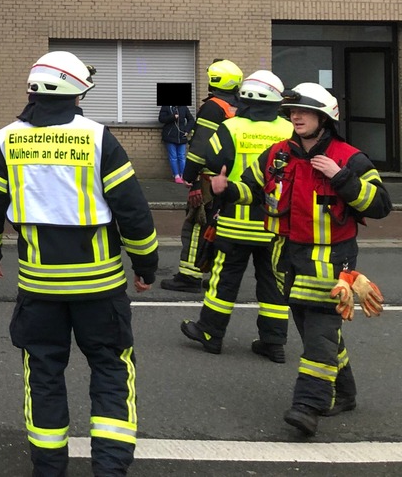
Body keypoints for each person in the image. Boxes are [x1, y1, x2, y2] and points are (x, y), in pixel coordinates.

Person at [0, 51, 157, 477]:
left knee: (43, 375)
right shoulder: (97, 138)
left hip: (40, 287)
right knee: (111, 371)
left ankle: (49, 467)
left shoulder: (7, 139)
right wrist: (146, 265)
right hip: (101, 286)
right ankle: (109, 469)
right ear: (78, 92)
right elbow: (132, 210)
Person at [238, 83, 391, 437]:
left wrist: (341, 178)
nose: (296, 116)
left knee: (320, 335)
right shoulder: (277, 154)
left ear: (325, 117)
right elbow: (251, 187)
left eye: (304, 112)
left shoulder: (348, 157)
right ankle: (346, 393)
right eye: (292, 112)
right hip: (288, 260)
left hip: (333, 264)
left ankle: (309, 404)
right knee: (315, 333)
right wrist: (224, 190)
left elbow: (381, 205)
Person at [180, 69, 293, 360]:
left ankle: (210, 333)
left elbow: (212, 160)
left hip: (235, 221)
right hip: (276, 223)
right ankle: (274, 342)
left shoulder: (231, 128)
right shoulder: (289, 130)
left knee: (225, 279)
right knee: (273, 283)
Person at [161, 59, 243, 293]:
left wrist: (190, 176)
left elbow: (201, 144)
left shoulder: (213, 106)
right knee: (219, 228)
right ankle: (215, 275)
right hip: (231, 179)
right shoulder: (241, 107)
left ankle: (189, 276)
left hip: (208, 179)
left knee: (196, 225)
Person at [159, 101, 195, 184]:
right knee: (173, 157)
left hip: (181, 136)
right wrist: (172, 117)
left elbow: (191, 120)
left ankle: (183, 175)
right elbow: (161, 119)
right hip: (170, 136)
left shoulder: (183, 107)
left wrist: (186, 130)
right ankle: (176, 175)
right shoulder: (166, 107)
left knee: (182, 156)